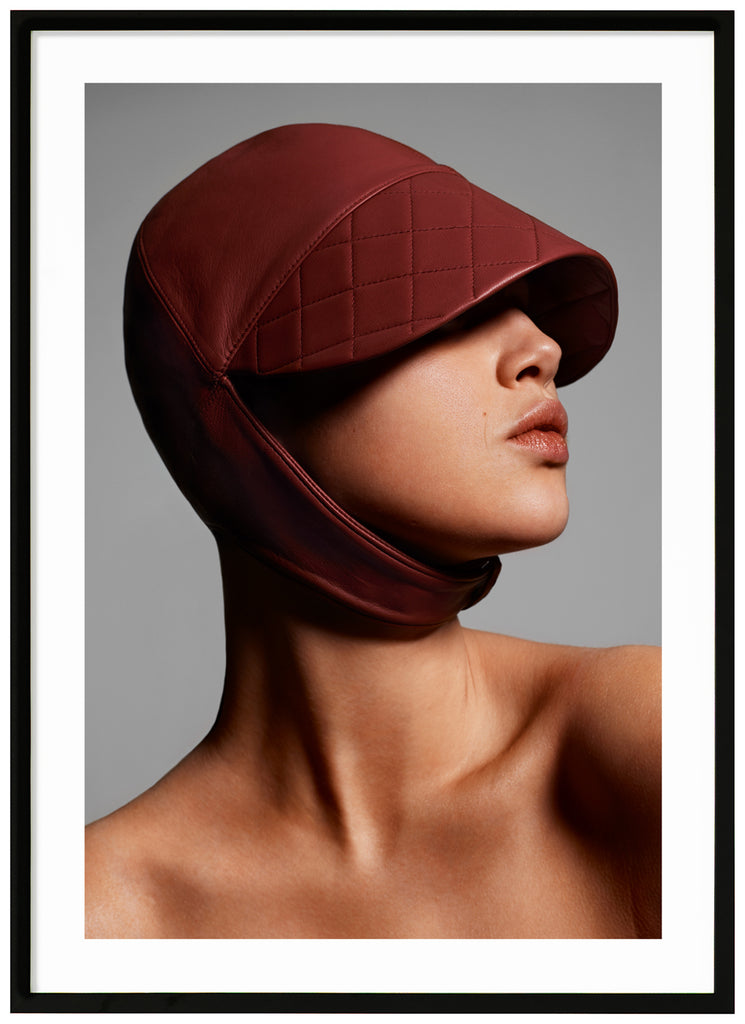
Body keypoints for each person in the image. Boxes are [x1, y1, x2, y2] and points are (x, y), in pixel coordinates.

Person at [85, 124, 660, 939]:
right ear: (233, 401)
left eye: (523, 308)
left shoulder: (651, 743)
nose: (542, 349)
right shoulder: (95, 917)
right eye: (439, 304)